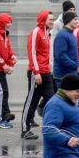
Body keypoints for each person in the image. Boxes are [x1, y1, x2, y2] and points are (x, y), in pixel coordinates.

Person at [21, 11, 55, 140]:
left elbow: (47, 54)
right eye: (50, 19)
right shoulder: (36, 32)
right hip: (37, 73)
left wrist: (50, 68)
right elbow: (32, 53)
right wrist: (36, 72)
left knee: (51, 100)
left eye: (53, 19)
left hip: (46, 73)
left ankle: (51, 127)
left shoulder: (47, 33)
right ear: (43, 20)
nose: (52, 22)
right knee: (31, 102)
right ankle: (25, 130)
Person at [52, 11, 79, 89]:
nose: (77, 22)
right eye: (75, 19)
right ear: (69, 20)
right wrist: (75, 66)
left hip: (71, 74)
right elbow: (61, 56)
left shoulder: (71, 34)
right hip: (63, 76)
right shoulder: (62, 35)